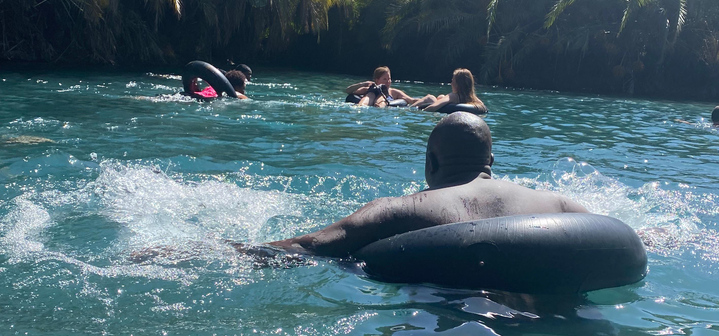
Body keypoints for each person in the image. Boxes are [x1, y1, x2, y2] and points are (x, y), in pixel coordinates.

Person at [235, 112, 588, 259]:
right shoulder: (560, 205)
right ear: (490, 164)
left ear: (430, 164)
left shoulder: (404, 209)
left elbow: (307, 247)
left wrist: (222, 250)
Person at [411, 68, 487, 113]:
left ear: (457, 84)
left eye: (452, 81)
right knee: (441, 96)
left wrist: (421, 113)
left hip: (441, 113)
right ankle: (411, 101)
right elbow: (483, 108)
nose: (451, 83)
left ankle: (409, 108)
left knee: (429, 97)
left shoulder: (453, 96)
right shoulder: (473, 98)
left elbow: (433, 107)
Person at [345, 66, 416, 107]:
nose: (388, 81)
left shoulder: (394, 92)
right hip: (369, 102)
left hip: (381, 105)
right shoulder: (367, 89)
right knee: (370, 96)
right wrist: (363, 84)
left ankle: (378, 105)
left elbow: (411, 100)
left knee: (382, 98)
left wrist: (424, 101)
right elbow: (348, 91)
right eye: (385, 79)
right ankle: (362, 106)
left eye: (389, 79)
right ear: (377, 80)